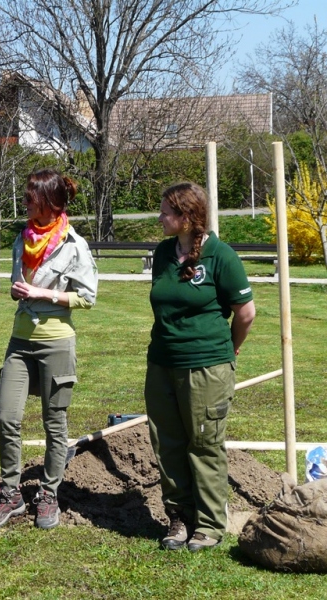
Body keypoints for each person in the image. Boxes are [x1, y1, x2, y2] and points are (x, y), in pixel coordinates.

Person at [0, 169, 98, 530]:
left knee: (54, 423)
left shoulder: (74, 245)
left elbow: (88, 297)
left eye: (31, 196)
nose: (25, 201)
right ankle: (11, 493)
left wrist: (43, 294)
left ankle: (48, 494)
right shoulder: (23, 239)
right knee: (7, 418)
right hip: (20, 341)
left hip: (57, 343)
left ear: (49, 202)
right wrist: (17, 292)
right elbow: (21, 284)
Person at [145, 182, 255, 552]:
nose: (159, 218)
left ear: (187, 217)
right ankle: (179, 518)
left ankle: (209, 525)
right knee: (168, 443)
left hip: (206, 366)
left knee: (205, 443)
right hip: (162, 364)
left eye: (165, 212)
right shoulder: (163, 253)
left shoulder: (221, 256)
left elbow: (245, 313)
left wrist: (231, 350)